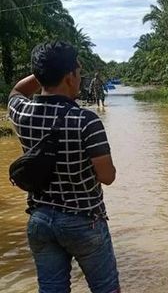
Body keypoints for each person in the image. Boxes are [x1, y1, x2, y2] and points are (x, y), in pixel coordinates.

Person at [7, 41, 120, 292]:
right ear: (70, 77)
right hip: (84, 221)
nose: (80, 78)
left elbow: (16, 91)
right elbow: (107, 176)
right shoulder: (86, 121)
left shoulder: (21, 112)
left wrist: (44, 71)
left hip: (40, 220)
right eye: (78, 72)